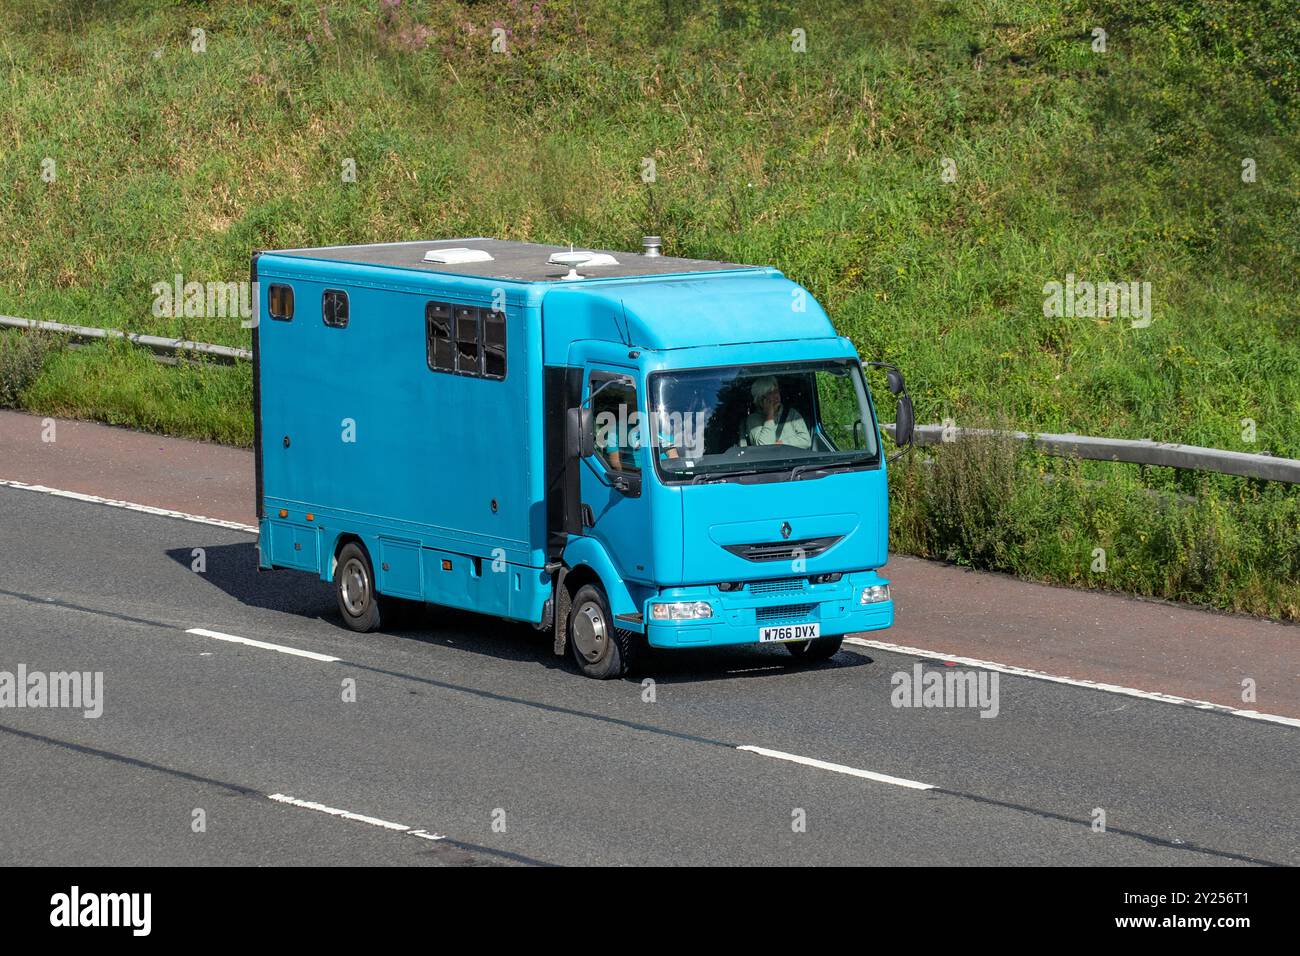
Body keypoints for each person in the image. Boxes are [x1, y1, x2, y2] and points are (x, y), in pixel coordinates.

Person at [740, 376, 811, 448]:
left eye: (776, 391)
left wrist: (781, 443)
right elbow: (765, 447)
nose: (776, 396)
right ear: (761, 398)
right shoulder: (753, 419)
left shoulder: (792, 414)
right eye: (770, 393)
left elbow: (806, 441)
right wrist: (770, 415)